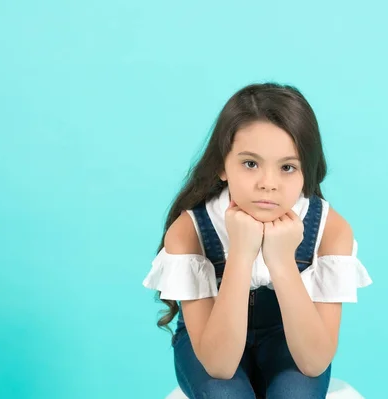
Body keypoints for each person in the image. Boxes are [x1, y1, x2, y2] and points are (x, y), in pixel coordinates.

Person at [142, 82, 372, 398]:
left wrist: (280, 260)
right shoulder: (188, 232)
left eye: (288, 167)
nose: (268, 184)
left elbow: (314, 361)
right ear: (223, 165)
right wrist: (241, 252)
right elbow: (219, 365)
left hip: (289, 340)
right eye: (250, 164)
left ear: (307, 172)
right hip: (210, 342)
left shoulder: (331, 230)